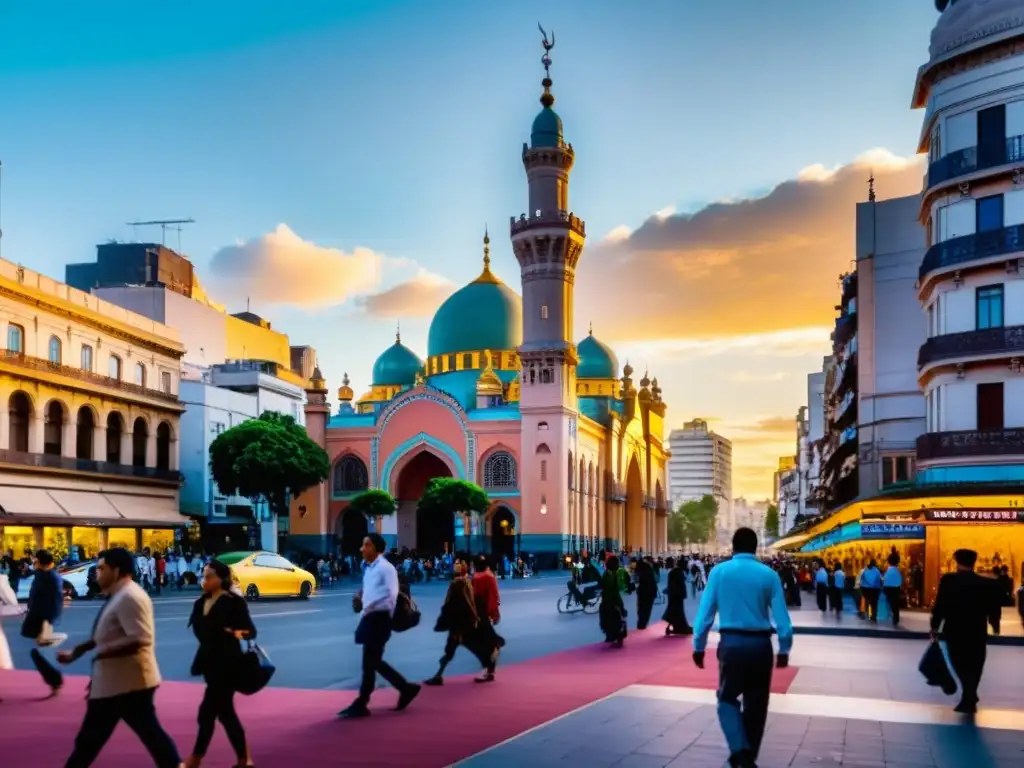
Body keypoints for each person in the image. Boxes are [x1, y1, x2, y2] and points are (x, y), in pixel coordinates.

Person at [57, 547, 182, 768]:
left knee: (99, 740)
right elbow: (106, 634)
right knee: (99, 740)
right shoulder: (118, 596)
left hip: (129, 683)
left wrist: (102, 655)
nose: (97, 573)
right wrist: (80, 651)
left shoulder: (130, 597)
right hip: (116, 682)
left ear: (116, 571)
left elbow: (140, 638)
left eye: (101, 569)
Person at [692, 528, 794, 768]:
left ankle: (739, 749)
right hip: (761, 646)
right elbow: (782, 619)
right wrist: (784, 648)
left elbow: (705, 613)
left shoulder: (719, 572)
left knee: (727, 697)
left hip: (731, 643)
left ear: (733, 547)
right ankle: (749, 754)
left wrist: (699, 645)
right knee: (757, 704)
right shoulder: (769, 575)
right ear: (755, 547)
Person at [338, 534, 420, 718]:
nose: (362, 549)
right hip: (370, 617)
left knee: (370, 662)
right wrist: (361, 603)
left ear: (376, 548)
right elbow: (370, 593)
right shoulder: (369, 569)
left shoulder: (385, 568)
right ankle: (404, 688)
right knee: (372, 661)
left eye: (366, 545)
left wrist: (378, 614)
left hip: (379, 618)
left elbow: (391, 595)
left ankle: (363, 701)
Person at [184, 560, 256, 768]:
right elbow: (202, 633)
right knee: (225, 713)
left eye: (209, 576)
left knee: (207, 712)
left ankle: (196, 758)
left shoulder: (234, 602)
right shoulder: (200, 603)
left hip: (229, 664)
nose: (204, 580)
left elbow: (251, 631)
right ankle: (244, 759)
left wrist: (234, 632)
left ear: (222, 579)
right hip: (209, 664)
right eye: (203, 576)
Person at [930, 548, 1001, 714]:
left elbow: (940, 605)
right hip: (977, 630)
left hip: (954, 629)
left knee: (958, 661)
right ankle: (970, 694)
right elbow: (993, 607)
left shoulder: (948, 581)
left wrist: (934, 626)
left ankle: (969, 696)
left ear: (956, 561)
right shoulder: (986, 583)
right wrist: (995, 623)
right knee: (976, 663)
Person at [423, 559, 490, 686]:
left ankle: (439, 675)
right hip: (466, 621)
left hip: (458, 623)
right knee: (463, 647)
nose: (454, 568)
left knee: (452, 649)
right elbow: (470, 602)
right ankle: (439, 674)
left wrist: (444, 620)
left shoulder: (456, 583)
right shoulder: (467, 581)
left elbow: (448, 603)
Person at [23, 548, 67, 697]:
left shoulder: (51, 578)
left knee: (41, 651)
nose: (34, 563)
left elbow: (55, 602)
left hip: (45, 618)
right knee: (40, 651)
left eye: (35, 561)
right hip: (38, 616)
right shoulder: (42, 575)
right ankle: (54, 683)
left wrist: (49, 621)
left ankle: (55, 683)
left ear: (40, 563)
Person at [471, 556, 503, 683]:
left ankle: (486, 670)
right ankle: (490, 671)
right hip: (485, 612)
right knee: (487, 642)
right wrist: (495, 614)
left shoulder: (477, 577)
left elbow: (472, 596)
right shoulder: (489, 576)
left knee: (482, 643)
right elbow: (494, 597)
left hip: (479, 612)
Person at [598, 555, 629, 648]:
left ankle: (612, 636)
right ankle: (617, 636)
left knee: (609, 618)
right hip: (614, 599)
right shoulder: (616, 573)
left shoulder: (608, 574)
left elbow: (607, 587)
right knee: (616, 618)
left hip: (608, 600)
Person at [661, 557, 692, 636]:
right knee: (677, 612)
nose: (666, 565)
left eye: (667, 563)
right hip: (677, 595)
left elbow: (675, 585)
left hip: (676, 595)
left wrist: (670, 591)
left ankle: (679, 628)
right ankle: (679, 628)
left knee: (675, 612)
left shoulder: (675, 572)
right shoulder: (676, 571)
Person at [634, 556, 658, 630]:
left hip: (642, 591)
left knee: (641, 609)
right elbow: (653, 581)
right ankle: (643, 624)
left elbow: (637, 580)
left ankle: (641, 624)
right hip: (649, 592)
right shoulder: (648, 569)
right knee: (647, 609)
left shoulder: (641, 568)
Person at [882, 554, 903, 626]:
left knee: (890, 602)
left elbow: (884, 579)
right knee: (895, 604)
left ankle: (892, 615)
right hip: (895, 588)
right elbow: (900, 580)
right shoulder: (897, 570)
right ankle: (895, 617)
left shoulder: (888, 570)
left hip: (888, 588)